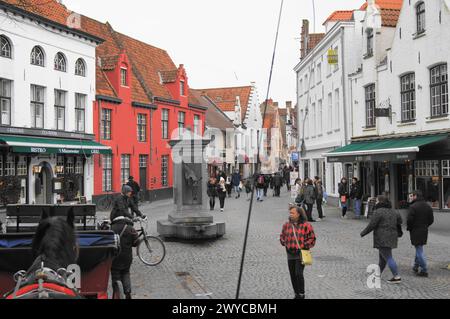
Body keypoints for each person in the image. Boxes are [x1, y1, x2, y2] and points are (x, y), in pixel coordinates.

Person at [110, 185, 146, 299]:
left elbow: (133, 207)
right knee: (126, 272)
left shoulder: (127, 199)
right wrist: (132, 217)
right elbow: (123, 210)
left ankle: (119, 292)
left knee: (116, 272)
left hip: (123, 221)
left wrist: (141, 214)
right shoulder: (119, 199)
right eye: (129, 192)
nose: (131, 193)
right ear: (125, 192)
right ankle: (125, 292)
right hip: (116, 219)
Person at [361, 195, 403, 284]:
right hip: (392, 236)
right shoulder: (394, 211)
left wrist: (363, 233)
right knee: (382, 257)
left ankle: (396, 276)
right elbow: (400, 221)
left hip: (382, 237)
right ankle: (377, 274)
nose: (375, 202)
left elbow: (372, 225)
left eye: (376, 201)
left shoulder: (378, 212)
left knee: (388, 257)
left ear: (380, 202)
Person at [280, 205, 317, 299]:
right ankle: (296, 293)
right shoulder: (286, 225)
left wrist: (304, 246)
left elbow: (312, 238)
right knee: (292, 274)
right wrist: (284, 242)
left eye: (293, 213)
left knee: (298, 273)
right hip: (290, 253)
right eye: (290, 213)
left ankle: (301, 293)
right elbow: (282, 236)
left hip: (301, 253)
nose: (291, 215)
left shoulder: (306, 225)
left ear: (299, 214)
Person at [407, 190, 434, 277]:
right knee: (419, 247)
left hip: (415, 230)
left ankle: (424, 270)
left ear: (415, 196)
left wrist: (410, 227)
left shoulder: (413, 206)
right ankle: (416, 265)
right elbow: (431, 220)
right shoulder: (427, 206)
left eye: (412, 196)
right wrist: (425, 225)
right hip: (424, 230)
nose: (411, 198)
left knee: (419, 250)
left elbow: (409, 220)